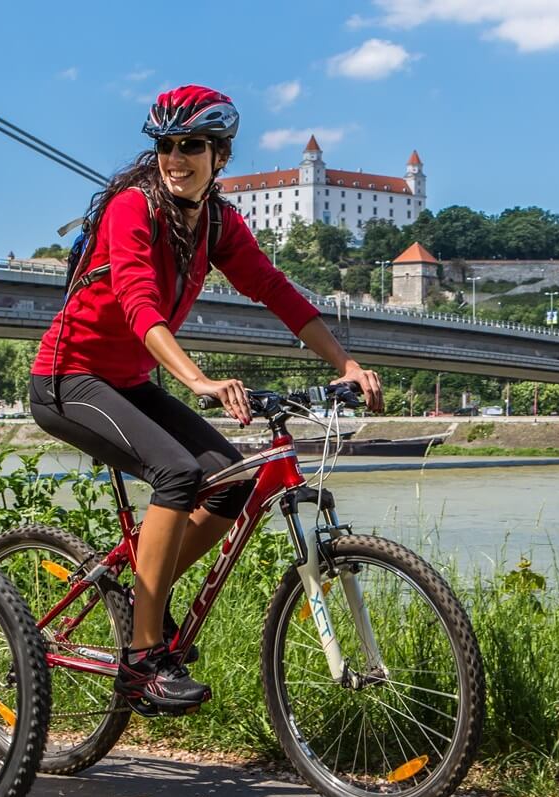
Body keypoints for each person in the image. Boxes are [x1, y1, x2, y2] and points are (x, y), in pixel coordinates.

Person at [30, 85, 382, 716]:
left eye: (191, 145)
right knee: (179, 473)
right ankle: (142, 656)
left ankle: (146, 599)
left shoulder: (217, 220)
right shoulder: (131, 209)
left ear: (220, 154)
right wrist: (197, 380)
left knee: (228, 483)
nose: (176, 157)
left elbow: (274, 289)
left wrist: (346, 363)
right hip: (70, 378)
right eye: (166, 144)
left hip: (130, 380)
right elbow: (137, 301)